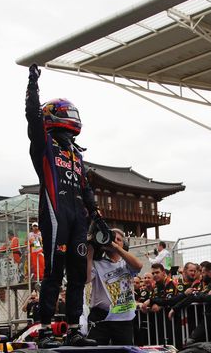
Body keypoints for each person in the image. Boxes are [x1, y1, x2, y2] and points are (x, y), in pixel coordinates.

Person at [25, 63, 97, 347]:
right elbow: (32, 117)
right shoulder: (44, 144)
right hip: (55, 215)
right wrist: (32, 85)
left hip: (78, 216)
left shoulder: (76, 154)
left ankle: (75, 330)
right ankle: (43, 329)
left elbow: (86, 187)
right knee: (54, 273)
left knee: (78, 274)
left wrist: (97, 215)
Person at [86, 228, 143, 345]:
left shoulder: (126, 263)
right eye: (112, 238)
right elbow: (86, 279)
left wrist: (116, 247)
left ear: (124, 244)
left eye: (118, 239)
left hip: (124, 318)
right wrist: (90, 250)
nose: (114, 241)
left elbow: (138, 266)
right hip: (101, 317)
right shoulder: (97, 263)